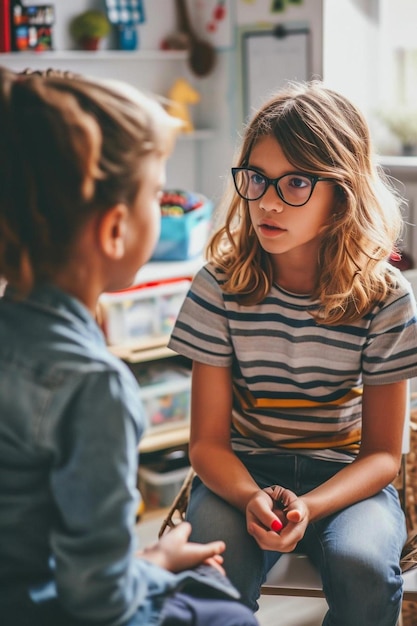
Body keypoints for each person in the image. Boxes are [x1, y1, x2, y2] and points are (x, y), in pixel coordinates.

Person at [0, 66, 259, 626]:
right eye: (154, 194)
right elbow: (100, 598)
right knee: (224, 611)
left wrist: (144, 561)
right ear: (115, 228)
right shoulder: (94, 385)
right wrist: (156, 563)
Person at [168, 80, 417, 626]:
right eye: (256, 179)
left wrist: (314, 505)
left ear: (342, 195)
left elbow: (380, 454)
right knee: (211, 567)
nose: (268, 201)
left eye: (296, 182)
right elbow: (207, 442)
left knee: (364, 567)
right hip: (240, 469)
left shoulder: (385, 296)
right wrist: (249, 495)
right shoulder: (219, 286)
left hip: (346, 478)